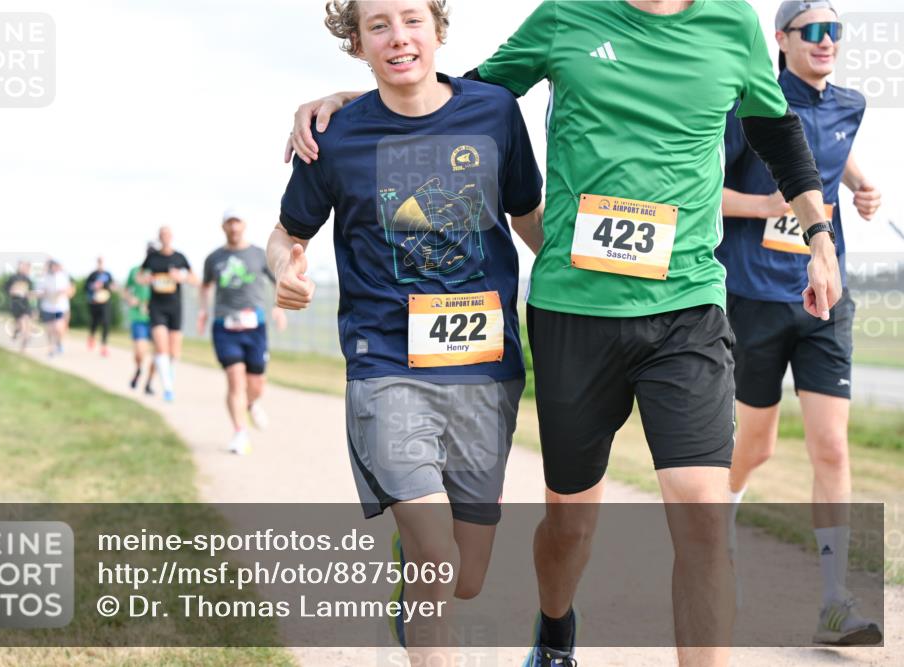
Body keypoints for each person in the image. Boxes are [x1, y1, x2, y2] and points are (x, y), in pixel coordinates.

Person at [287, 1, 843, 665]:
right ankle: (554, 631)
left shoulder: (733, 24)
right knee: (572, 523)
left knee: (701, 519)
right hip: (574, 314)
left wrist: (819, 234)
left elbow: (775, 131)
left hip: (687, 306)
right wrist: (369, 98)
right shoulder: (566, 16)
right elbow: (471, 90)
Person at [271, 1, 544, 662]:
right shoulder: (334, 136)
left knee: (466, 576)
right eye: (379, 25)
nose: (399, 37)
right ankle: (417, 549)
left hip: (487, 368)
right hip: (386, 364)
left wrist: (590, 286)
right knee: (436, 557)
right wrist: (284, 270)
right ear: (357, 43)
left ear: (438, 29)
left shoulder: (494, 112)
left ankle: (412, 555)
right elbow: (287, 235)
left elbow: (531, 219)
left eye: (412, 19)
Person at [719, 0, 882, 647]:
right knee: (754, 446)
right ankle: (715, 524)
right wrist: (763, 202)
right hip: (753, 294)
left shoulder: (850, 104)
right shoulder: (750, 102)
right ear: (780, 39)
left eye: (833, 31)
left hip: (825, 292)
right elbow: (704, 185)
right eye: (811, 30)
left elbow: (826, 151)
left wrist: (864, 183)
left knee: (832, 446)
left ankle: (835, 598)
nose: (824, 41)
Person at [200, 210, 288, 455]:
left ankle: (251, 403)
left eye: (237, 222)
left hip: (255, 327)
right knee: (235, 380)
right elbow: (205, 286)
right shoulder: (213, 258)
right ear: (223, 227)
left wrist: (279, 308)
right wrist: (203, 311)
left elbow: (278, 280)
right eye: (229, 222)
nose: (233, 227)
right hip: (224, 326)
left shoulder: (259, 255)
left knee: (257, 383)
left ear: (244, 225)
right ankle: (240, 432)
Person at [140, 226, 199, 402]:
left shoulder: (179, 258)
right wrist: (147, 279)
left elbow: (195, 279)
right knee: (161, 347)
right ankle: (168, 388)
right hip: (157, 306)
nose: (165, 237)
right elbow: (140, 277)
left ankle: (169, 380)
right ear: (159, 237)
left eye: (168, 234)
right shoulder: (152, 258)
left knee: (174, 352)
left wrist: (181, 277)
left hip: (175, 306)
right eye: (162, 235)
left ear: (172, 237)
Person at [125, 248, 157, 395]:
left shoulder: (161, 272)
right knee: (140, 351)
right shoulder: (135, 271)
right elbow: (126, 289)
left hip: (157, 317)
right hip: (138, 316)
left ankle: (149, 382)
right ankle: (138, 369)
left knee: (158, 354)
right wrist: (130, 299)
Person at [39, 259, 73, 357]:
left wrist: (63, 292)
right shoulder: (44, 277)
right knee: (49, 329)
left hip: (60, 308)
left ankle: (59, 342)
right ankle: (51, 348)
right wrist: (44, 293)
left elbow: (70, 290)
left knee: (58, 327)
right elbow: (39, 291)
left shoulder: (63, 276)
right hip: (47, 307)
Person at [84, 256, 114, 356]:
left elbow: (112, 286)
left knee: (105, 323)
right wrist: (93, 287)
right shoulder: (92, 275)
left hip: (105, 302)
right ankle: (91, 336)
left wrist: (104, 286)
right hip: (94, 302)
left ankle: (104, 346)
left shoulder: (108, 274)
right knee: (95, 322)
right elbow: (86, 287)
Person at [4, 262, 35, 352]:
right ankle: (17, 332)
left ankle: (24, 345)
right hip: (15, 303)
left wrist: (34, 307)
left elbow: (31, 293)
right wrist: (11, 291)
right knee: (19, 324)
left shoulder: (28, 279)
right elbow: (6, 287)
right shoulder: (13, 277)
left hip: (25, 303)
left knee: (26, 323)